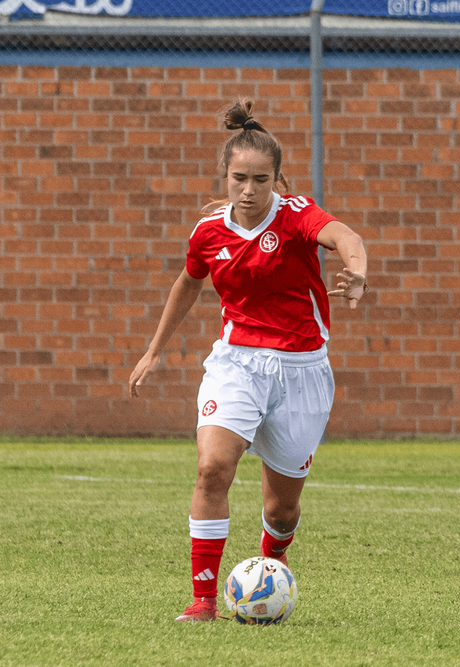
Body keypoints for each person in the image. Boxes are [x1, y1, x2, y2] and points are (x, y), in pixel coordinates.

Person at [128, 98, 368, 622]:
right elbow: (188, 284)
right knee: (212, 468)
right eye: (240, 178)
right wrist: (153, 350)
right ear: (226, 176)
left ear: (278, 180)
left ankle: (271, 564)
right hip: (236, 363)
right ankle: (202, 600)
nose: (249, 190)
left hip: (302, 371)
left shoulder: (299, 216)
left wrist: (358, 272)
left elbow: (346, 238)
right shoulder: (208, 232)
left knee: (281, 509)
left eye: (261, 179)